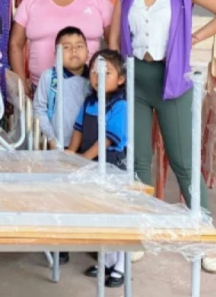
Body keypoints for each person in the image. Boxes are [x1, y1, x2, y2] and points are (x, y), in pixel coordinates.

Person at [108, 0, 216, 274]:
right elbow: (116, 30)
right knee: (137, 159)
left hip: (172, 79)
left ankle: (207, 236)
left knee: (183, 160)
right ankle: (139, 231)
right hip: (135, 77)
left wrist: (193, 38)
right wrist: (112, 67)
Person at [10, 0, 112, 95]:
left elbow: (114, 43)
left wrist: (108, 81)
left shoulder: (98, 0)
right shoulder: (31, 1)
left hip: (89, 88)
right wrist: (21, 82)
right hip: (41, 89)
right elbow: (15, 44)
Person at [66, 49, 128, 288]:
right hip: (92, 165)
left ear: (121, 79)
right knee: (99, 213)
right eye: (94, 70)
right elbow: (80, 128)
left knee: (115, 214)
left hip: (111, 165)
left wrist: (83, 158)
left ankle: (120, 265)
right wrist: (71, 152)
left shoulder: (119, 104)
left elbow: (107, 139)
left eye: (106, 72)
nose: (97, 75)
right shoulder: (90, 101)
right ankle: (107, 260)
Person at [33, 26, 90, 150]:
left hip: (89, 147)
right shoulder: (49, 77)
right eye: (66, 47)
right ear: (56, 54)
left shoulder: (95, 79)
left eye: (79, 46)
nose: (74, 50)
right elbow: (39, 109)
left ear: (88, 53)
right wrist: (51, 138)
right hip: (59, 144)